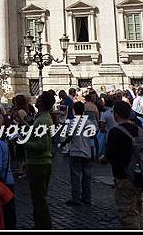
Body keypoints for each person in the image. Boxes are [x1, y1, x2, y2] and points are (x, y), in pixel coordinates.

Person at [100, 100, 143, 229]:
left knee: (126, 213)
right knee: (137, 207)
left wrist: (103, 159)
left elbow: (110, 155)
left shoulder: (115, 131)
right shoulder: (139, 130)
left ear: (116, 115)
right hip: (139, 176)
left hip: (123, 176)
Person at [24, 91, 55, 229]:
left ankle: (43, 227)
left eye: (39, 98)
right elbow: (36, 133)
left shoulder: (42, 120)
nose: (36, 99)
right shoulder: (43, 117)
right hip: (40, 163)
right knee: (39, 199)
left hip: (38, 164)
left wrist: (23, 142)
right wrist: (23, 123)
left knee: (39, 200)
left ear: (42, 103)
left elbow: (42, 145)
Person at [62, 102, 95, 206]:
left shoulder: (72, 122)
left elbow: (69, 136)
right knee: (87, 177)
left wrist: (63, 143)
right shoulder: (89, 122)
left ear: (74, 110)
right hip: (87, 152)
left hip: (75, 152)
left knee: (75, 177)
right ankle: (87, 197)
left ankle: (76, 198)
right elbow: (93, 136)